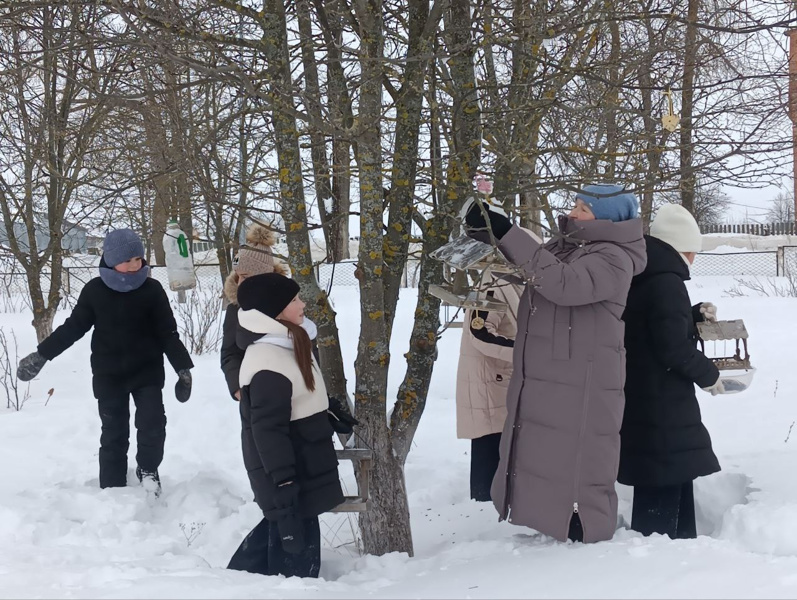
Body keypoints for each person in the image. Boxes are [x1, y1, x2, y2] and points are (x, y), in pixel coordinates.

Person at [464, 183, 647, 543]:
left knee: (577, 455)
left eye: (584, 209)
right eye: (576, 205)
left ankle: (580, 527)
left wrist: (509, 233)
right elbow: (537, 269)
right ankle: (548, 522)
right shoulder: (568, 247)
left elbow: (565, 284)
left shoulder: (613, 257)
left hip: (584, 379)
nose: (573, 213)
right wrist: (490, 234)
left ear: (607, 218)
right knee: (544, 450)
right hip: (554, 373)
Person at [16, 228, 193, 496]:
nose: (136, 265)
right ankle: (112, 485)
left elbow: (167, 333)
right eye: (129, 259)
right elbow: (73, 328)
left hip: (146, 371)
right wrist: (42, 355)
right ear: (111, 260)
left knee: (153, 424)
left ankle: (147, 470)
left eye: (139, 259)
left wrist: (183, 368)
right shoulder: (95, 291)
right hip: (109, 373)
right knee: (113, 431)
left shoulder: (152, 290)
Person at [228, 272, 344, 578]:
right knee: (292, 542)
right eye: (294, 300)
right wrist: (284, 481)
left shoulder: (289, 343)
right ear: (275, 311)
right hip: (288, 469)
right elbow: (267, 429)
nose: (302, 303)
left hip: (302, 458)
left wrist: (327, 411)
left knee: (287, 525)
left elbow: (297, 398)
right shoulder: (267, 360)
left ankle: (236, 580)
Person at [619, 203, 724, 539]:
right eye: (693, 252)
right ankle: (662, 563)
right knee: (664, 482)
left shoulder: (644, 273)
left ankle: (678, 546)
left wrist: (690, 315)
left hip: (643, 394)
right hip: (661, 401)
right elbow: (671, 347)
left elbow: (649, 326)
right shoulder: (667, 282)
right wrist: (710, 375)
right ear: (684, 249)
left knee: (666, 477)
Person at [455, 268, 522, 502]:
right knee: (491, 438)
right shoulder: (494, 285)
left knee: (502, 438)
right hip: (492, 378)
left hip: (501, 376)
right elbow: (480, 331)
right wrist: (524, 350)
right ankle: (489, 502)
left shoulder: (513, 280)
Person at [220, 223, 287, 402]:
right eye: (238, 276)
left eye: (246, 276)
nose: (240, 282)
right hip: (253, 396)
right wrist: (237, 388)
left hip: (291, 392)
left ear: (264, 276)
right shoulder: (236, 307)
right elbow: (229, 352)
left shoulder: (288, 303)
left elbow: (307, 347)